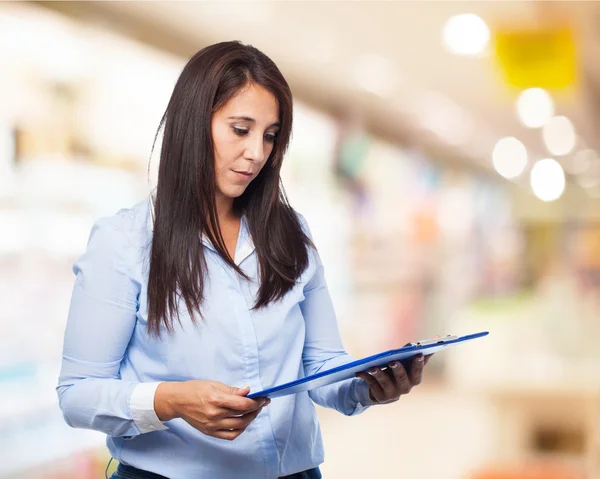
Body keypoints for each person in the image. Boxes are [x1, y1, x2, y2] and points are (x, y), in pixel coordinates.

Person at [56, 41, 430, 479]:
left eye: (270, 136)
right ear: (193, 124)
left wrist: (369, 387)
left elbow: (321, 367)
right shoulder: (125, 242)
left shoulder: (292, 234)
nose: (257, 152)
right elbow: (78, 394)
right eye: (240, 129)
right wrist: (173, 400)